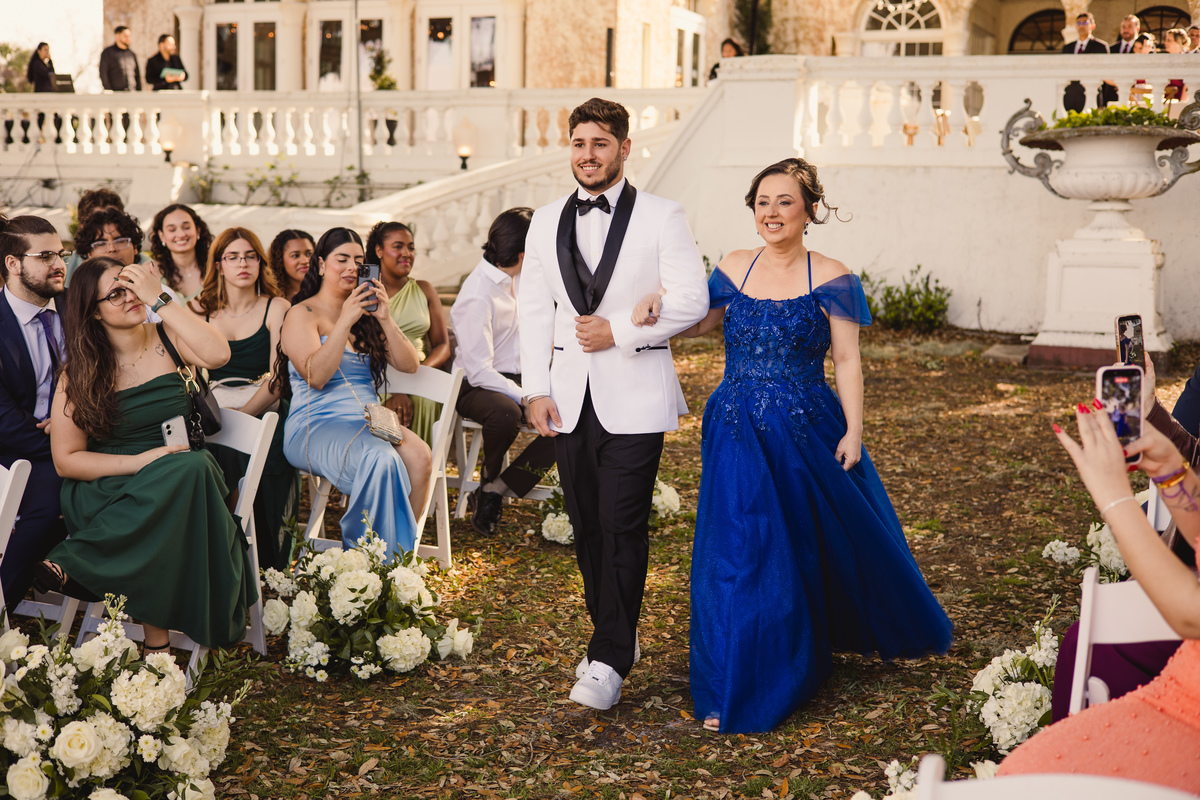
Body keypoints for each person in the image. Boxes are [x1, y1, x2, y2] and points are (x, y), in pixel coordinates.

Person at [635, 158, 953, 733]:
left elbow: (847, 359)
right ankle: (735, 679)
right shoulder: (734, 265)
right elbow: (698, 323)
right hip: (736, 425)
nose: (771, 212)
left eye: (784, 201)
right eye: (762, 202)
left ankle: (798, 653)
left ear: (809, 210)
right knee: (741, 549)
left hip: (806, 427)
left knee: (802, 544)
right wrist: (658, 301)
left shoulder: (832, 276)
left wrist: (854, 430)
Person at [519, 97, 710, 711]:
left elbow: (693, 299)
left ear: (624, 149)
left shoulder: (662, 215)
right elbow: (533, 310)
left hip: (636, 394)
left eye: (600, 143)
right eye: (579, 143)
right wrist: (534, 388)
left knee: (622, 522)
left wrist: (621, 331)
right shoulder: (544, 220)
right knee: (586, 526)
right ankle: (613, 630)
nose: (588, 154)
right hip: (567, 398)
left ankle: (608, 659)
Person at [36, 256, 255, 653]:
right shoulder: (78, 372)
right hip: (111, 486)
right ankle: (157, 646)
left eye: (131, 286)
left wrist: (161, 298)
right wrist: (141, 461)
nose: (129, 297)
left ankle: (80, 563)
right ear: (94, 312)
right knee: (183, 479)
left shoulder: (169, 337)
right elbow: (67, 460)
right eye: (115, 294)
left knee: (189, 470)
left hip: (180, 474)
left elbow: (219, 355)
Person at [998, 406, 1200, 794]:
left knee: (1036, 780)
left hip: (1189, 717)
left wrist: (1115, 499)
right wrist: (1171, 471)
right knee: (1030, 772)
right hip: (1177, 691)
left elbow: (1191, 614)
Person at [279, 227, 431, 556]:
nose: (352, 267)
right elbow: (316, 377)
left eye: (359, 261)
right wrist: (344, 321)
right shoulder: (301, 314)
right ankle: (367, 561)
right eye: (342, 259)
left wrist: (385, 318)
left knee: (420, 455)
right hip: (315, 423)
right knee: (381, 457)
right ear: (321, 265)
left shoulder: (368, 315)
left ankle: (399, 555)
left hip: (368, 420)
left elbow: (409, 365)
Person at [192, 227, 296, 571]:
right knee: (204, 449)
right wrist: (220, 416)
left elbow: (279, 379)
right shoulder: (200, 310)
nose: (243, 264)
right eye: (233, 257)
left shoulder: (277, 307)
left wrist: (242, 416)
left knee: (265, 443)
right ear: (218, 265)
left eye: (251, 256)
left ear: (261, 263)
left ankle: (269, 561)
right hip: (215, 406)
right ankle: (221, 553)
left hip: (264, 403)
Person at [450, 207, 557, 536]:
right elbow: (479, 371)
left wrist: (538, 386)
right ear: (524, 254)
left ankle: (499, 487)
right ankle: (487, 481)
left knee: (567, 415)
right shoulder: (477, 294)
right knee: (506, 415)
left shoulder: (525, 277)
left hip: (520, 377)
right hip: (475, 384)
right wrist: (528, 396)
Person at [0, 215, 69, 612]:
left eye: (61, 254)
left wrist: (72, 426)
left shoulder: (76, 310)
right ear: (13, 263)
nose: (58, 264)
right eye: (45, 256)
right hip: (11, 445)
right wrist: (62, 443)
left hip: (68, 445)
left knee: (55, 504)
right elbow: (2, 416)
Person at [366, 221, 451, 446]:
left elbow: (442, 345)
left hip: (421, 373)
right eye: (398, 247)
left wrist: (417, 378)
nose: (407, 253)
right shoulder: (367, 293)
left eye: (411, 248)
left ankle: (427, 464)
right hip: (378, 377)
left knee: (426, 399)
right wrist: (397, 387)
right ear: (379, 250)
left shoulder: (424, 289)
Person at [149, 203, 212, 302]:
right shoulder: (151, 272)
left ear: (198, 231)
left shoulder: (216, 267)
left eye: (186, 227)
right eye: (172, 230)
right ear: (162, 236)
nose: (181, 234)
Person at [65, 188, 126, 283]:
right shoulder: (66, 267)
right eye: (97, 220)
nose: (106, 224)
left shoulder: (144, 264)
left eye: (113, 217)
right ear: (83, 226)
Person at [1063, 13, 1113, 112]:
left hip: (1092, 94)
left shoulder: (1101, 46)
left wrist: (1104, 100)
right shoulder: (1068, 47)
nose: (1081, 26)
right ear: (1075, 26)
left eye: (1085, 23)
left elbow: (1106, 73)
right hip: (1070, 96)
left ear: (1092, 26)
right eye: (1079, 23)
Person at [25, 43, 60, 144]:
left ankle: (54, 138)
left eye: (48, 50)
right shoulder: (37, 64)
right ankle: (36, 139)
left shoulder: (44, 64)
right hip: (41, 95)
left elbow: (53, 76)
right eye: (45, 50)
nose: (47, 52)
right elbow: (48, 75)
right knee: (41, 118)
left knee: (50, 116)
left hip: (47, 95)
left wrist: (50, 62)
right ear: (39, 51)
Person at [267, 229, 315, 301]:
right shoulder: (271, 297)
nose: (305, 261)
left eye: (308, 254)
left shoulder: (325, 292)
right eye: (295, 255)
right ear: (279, 260)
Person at [99, 26, 140, 92]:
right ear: (117, 36)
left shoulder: (131, 54)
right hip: (115, 94)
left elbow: (137, 75)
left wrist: (138, 92)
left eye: (129, 36)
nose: (128, 38)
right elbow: (103, 73)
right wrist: (108, 90)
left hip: (132, 92)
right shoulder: (108, 53)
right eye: (125, 36)